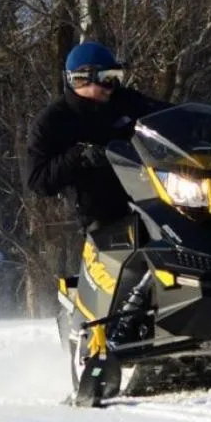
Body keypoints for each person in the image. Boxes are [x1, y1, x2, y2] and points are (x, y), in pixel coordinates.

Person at [26, 41, 171, 344]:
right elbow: (38, 179)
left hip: (153, 194)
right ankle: (106, 330)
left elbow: (169, 116)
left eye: (115, 78)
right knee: (124, 264)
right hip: (100, 206)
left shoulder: (125, 102)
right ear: (81, 79)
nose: (111, 86)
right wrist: (77, 157)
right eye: (107, 78)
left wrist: (206, 126)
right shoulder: (53, 120)